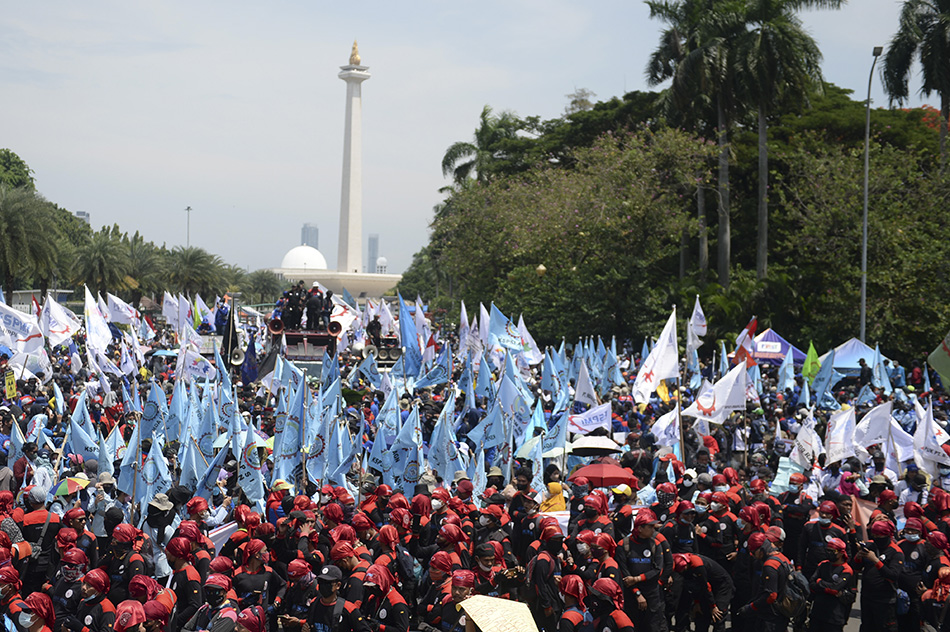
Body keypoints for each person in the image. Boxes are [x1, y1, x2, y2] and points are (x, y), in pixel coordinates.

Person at [854, 519, 904, 632]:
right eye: (874, 535)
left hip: (884, 600)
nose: (876, 538)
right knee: (866, 626)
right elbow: (856, 568)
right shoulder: (870, 546)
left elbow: (893, 575)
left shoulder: (896, 552)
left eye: (879, 536)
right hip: (867, 596)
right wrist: (859, 556)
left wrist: (876, 561)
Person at [737, 532, 792, 632]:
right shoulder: (782, 558)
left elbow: (771, 595)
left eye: (753, 553)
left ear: (761, 550)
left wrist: (751, 607)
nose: (753, 556)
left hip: (770, 617)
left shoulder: (770, 565)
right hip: (781, 613)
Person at [807, 537, 854, 632]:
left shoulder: (846, 570)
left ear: (841, 552)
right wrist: (828, 588)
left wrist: (819, 582)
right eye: (827, 550)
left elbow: (835, 588)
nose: (828, 553)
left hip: (834, 617)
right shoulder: (823, 564)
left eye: (832, 551)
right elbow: (812, 583)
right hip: (817, 613)